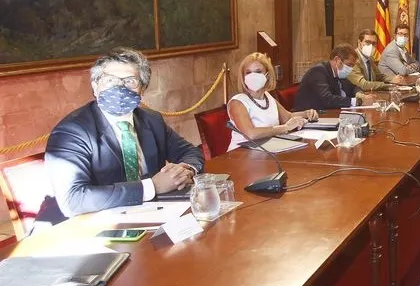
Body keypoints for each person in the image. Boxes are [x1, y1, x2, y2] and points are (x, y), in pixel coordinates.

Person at [45, 47, 204, 217]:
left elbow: (190, 152)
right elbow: (73, 200)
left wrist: (185, 171)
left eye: (130, 81)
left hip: (154, 214)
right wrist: (153, 187)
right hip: (96, 224)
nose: (119, 87)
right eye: (110, 81)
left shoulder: (151, 120)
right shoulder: (71, 132)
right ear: (95, 86)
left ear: (142, 89)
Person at [227, 52, 318, 151]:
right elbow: (251, 134)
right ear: (243, 77)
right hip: (241, 154)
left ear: (267, 74)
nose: (253, 76)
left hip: (268, 151)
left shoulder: (267, 96)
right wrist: (284, 128)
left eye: (258, 72)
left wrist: (306, 113)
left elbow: (287, 117)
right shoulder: (237, 102)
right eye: (248, 72)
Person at [295, 45, 375, 111]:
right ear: (337, 60)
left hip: (329, 114)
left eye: (352, 66)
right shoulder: (318, 72)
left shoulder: (339, 74)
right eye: (349, 65)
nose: (350, 69)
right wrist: (358, 101)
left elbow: (354, 87)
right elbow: (327, 99)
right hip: (309, 118)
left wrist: (361, 95)